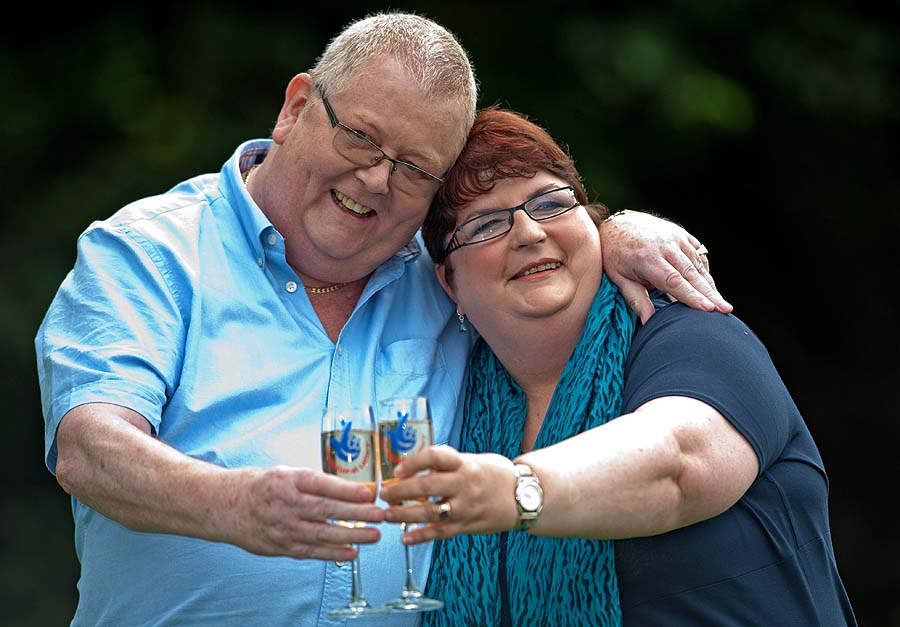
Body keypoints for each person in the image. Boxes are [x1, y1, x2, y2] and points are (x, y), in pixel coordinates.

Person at [35, 12, 729, 627]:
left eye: (414, 169)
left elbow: (533, 251)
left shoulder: (443, 278)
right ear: (296, 106)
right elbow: (89, 450)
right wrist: (234, 504)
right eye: (362, 138)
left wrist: (616, 232)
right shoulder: (152, 252)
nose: (374, 180)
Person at [380, 105, 857, 626]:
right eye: (488, 223)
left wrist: (516, 491)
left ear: (591, 222)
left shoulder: (695, 335)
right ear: (448, 282)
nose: (528, 233)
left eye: (547, 203)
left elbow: (677, 463)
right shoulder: (452, 397)